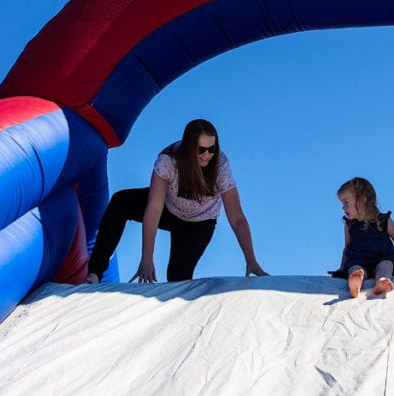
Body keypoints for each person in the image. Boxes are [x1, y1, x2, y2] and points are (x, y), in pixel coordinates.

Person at [84, 119, 268, 284]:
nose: (207, 155)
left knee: (177, 279)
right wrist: (147, 258)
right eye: (201, 150)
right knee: (121, 201)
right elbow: (154, 208)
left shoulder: (220, 166)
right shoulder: (168, 160)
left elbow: (236, 218)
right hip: (169, 210)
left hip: (199, 224)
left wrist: (251, 260)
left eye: (212, 148)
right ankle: (94, 274)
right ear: (188, 148)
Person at [329, 177, 394, 298]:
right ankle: (355, 282)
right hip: (358, 260)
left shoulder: (384, 221)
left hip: (381, 258)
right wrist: (342, 268)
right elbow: (347, 247)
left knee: (386, 265)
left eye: (346, 202)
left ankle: (382, 281)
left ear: (362, 200)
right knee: (355, 268)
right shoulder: (349, 225)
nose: (343, 208)